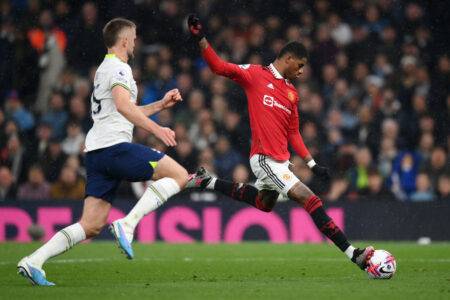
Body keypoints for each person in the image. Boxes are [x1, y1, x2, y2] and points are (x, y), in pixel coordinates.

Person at [186, 15, 373, 272]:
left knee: (264, 203)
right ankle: (354, 254)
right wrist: (200, 38)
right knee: (312, 200)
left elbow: (293, 133)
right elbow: (218, 66)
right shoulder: (254, 74)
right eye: (300, 65)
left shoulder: (291, 93)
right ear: (288, 58)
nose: (302, 71)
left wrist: (312, 163)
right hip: (264, 157)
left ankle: (208, 181)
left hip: (280, 159)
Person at [17, 18, 189, 286]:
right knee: (179, 176)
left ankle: (33, 261)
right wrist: (158, 130)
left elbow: (123, 111)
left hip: (98, 153)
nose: (135, 41)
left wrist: (159, 105)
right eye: (133, 37)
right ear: (123, 40)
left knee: (91, 224)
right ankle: (128, 224)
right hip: (114, 148)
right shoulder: (120, 69)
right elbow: (123, 107)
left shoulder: (105, 68)